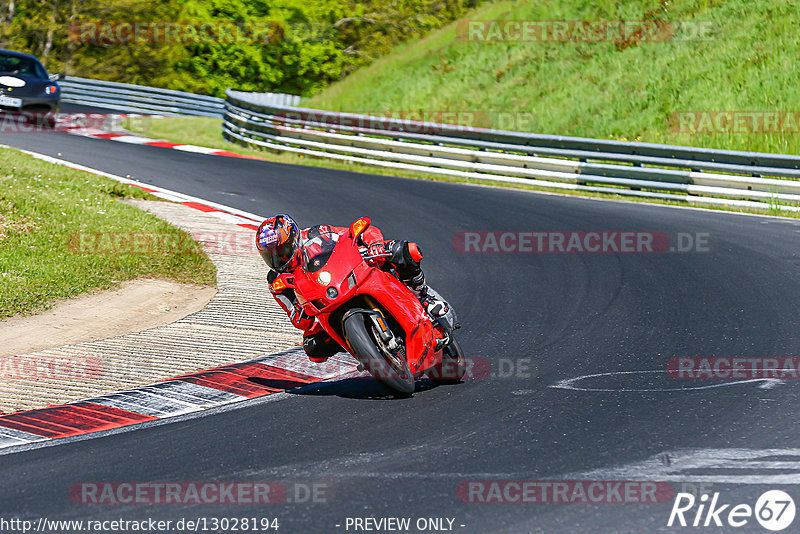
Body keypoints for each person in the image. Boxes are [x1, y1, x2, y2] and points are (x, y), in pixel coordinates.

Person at [256, 214, 449, 362]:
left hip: (349, 274)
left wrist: (374, 245)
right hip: (323, 304)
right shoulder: (277, 280)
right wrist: (303, 308)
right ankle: (363, 346)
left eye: (281, 252)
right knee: (313, 347)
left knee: (405, 251)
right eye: (270, 256)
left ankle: (423, 296)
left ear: (294, 239)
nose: (277, 260)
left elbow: (356, 233)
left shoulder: (316, 234)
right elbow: (297, 319)